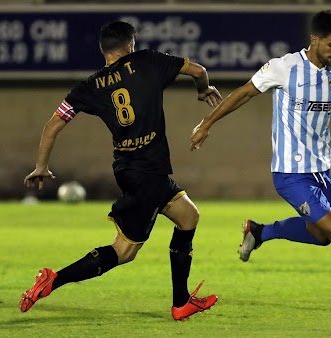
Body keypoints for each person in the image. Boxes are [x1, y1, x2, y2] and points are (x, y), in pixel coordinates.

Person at [190, 10, 331, 310]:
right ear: (314, 40)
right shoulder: (284, 67)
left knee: (321, 236)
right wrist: (208, 123)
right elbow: (245, 93)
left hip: (321, 171)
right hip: (290, 174)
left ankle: (260, 232)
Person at [21, 20, 222, 321]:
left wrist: (41, 166)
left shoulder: (89, 85)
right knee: (124, 251)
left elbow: (53, 125)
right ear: (131, 45)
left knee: (188, 216)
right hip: (148, 172)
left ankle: (182, 301)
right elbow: (199, 71)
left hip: (129, 167)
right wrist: (203, 90)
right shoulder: (147, 61)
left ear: (103, 49)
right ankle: (53, 279)